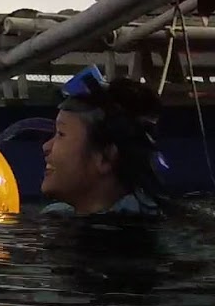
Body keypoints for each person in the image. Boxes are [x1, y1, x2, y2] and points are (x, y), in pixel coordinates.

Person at [37, 66, 169, 217]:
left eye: (61, 134)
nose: (45, 147)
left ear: (105, 157)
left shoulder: (136, 231)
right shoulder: (57, 215)